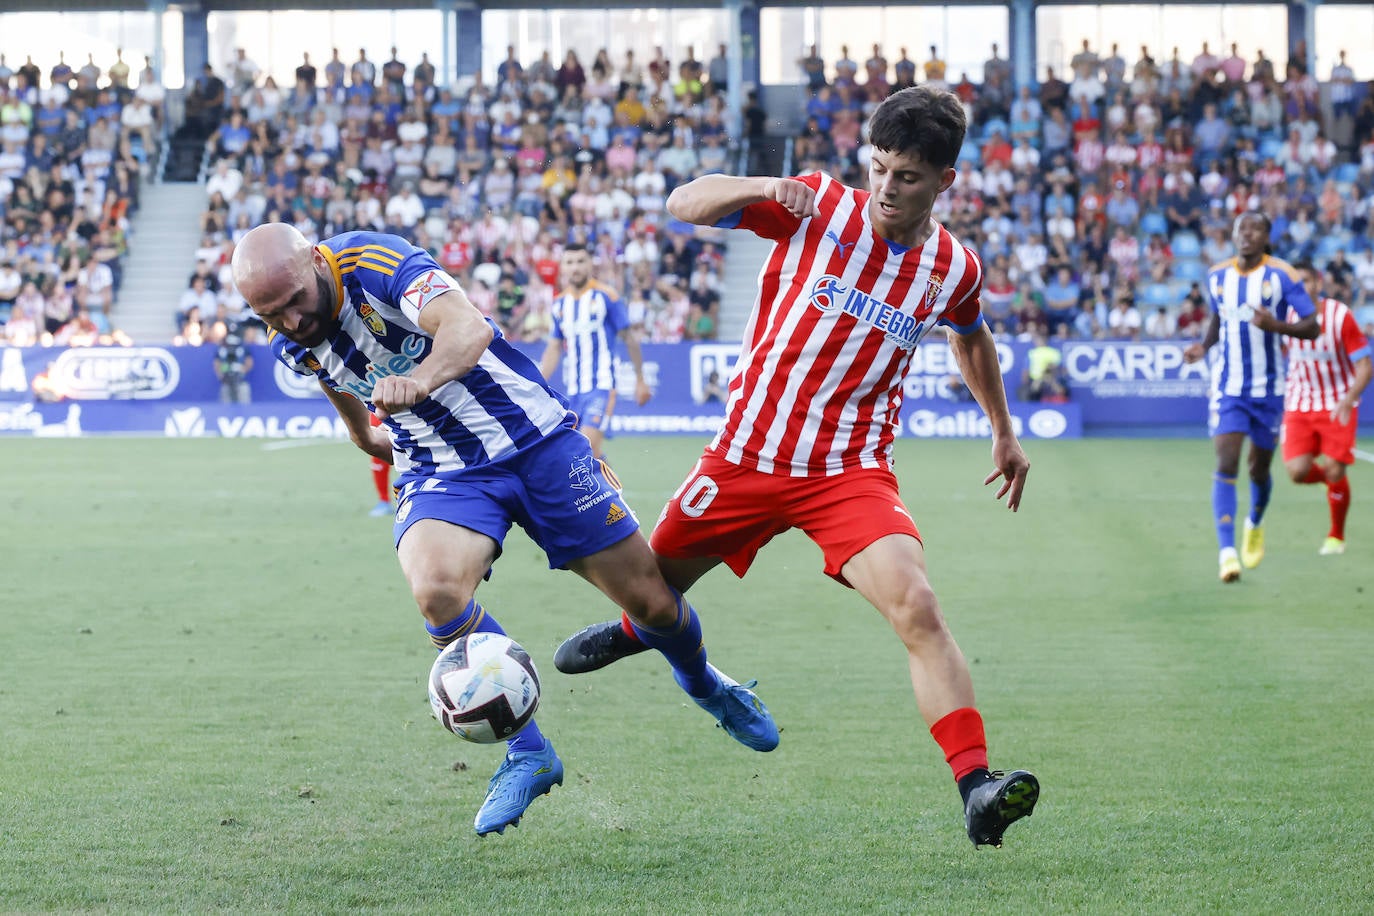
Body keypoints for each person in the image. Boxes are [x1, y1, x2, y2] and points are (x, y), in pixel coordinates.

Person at [554, 86, 1040, 849]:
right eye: (877, 167)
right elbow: (686, 201)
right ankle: (636, 631)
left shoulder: (953, 267)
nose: (884, 188)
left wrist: (1002, 431)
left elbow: (971, 337)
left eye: (907, 177)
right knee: (653, 594)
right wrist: (755, 187)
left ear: (945, 181)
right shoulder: (819, 205)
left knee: (917, 605)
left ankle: (977, 785)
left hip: (849, 472)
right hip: (745, 457)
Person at [231, 223, 778, 837]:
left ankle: (706, 684)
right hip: (442, 468)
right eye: (269, 315)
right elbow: (333, 373)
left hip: (533, 440)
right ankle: (530, 753)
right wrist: (363, 435)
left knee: (651, 600)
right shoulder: (291, 336)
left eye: (295, 300)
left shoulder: (374, 262)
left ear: (314, 261)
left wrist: (422, 381)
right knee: (436, 590)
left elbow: (469, 328)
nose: (290, 320)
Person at [1183, 212, 1319, 582]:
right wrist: (1204, 347)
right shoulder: (1217, 275)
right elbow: (1218, 318)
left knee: (1259, 468)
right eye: (1241, 227)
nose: (1246, 234)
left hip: (1270, 390)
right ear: (1233, 233)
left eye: (1255, 228)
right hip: (1229, 387)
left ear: (1266, 236)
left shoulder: (1283, 276)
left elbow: (1312, 325)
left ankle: (1254, 522)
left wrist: (1277, 326)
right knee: (1226, 462)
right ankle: (1227, 554)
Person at [1281, 264, 1371, 555]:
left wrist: (1349, 398)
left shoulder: (1340, 317)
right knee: (1296, 472)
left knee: (1334, 468)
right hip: (1299, 403)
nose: (1300, 288)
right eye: (1295, 283)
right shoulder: (1285, 316)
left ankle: (1336, 536)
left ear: (1318, 284)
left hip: (1337, 403)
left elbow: (1364, 366)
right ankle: (1329, 482)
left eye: (1305, 281)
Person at [539, 244, 651, 459]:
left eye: (581, 261)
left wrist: (640, 379)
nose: (575, 267)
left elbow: (629, 338)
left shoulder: (607, 297)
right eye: (570, 262)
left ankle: (610, 490)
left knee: (584, 448)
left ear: (590, 264)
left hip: (602, 385)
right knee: (590, 455)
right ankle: (613, 490)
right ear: (562, 268)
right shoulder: (559, 304)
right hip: (574, 390)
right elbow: (554, 347)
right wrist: (538, 384)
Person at [214, 320, 253, 403]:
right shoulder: (222, 345)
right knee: (226, 406)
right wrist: (221, 373)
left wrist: (242, 369)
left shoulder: (243, 345)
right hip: (226, 379)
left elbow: (249, 361)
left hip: (240, 380)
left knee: (243, 402)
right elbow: (217, 361)